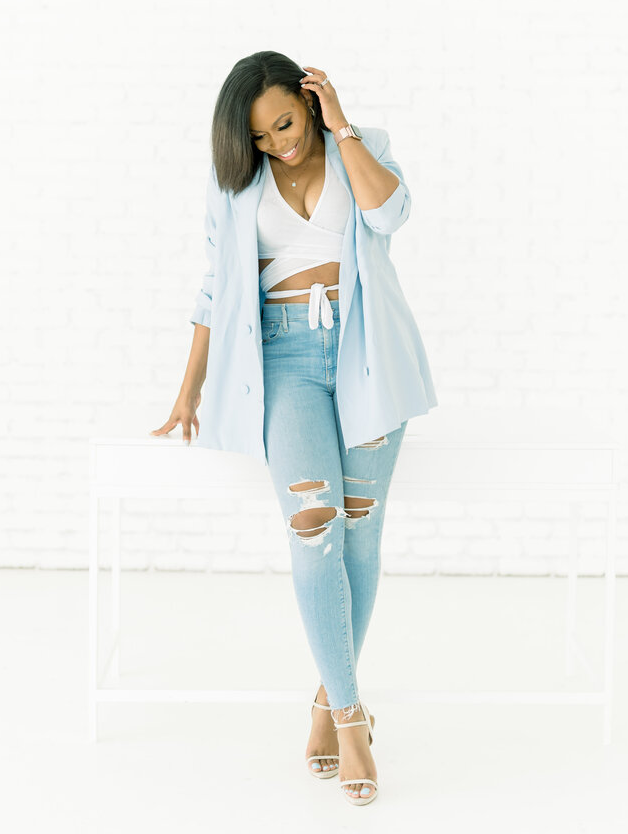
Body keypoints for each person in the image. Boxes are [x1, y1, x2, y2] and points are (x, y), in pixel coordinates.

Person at [150, 50, 437, 806]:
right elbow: (215, 286)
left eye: (288, 122)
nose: (280, 142)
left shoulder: (358, 147)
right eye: (262, 135)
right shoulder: (235, 182)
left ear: (310, 102)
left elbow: (390, 213)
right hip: (283, 361)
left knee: (359, 531)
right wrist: (189, 390)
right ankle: (350, 718)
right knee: (314, 526)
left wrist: (340, 127)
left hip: (367, 354)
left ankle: (322, 699)